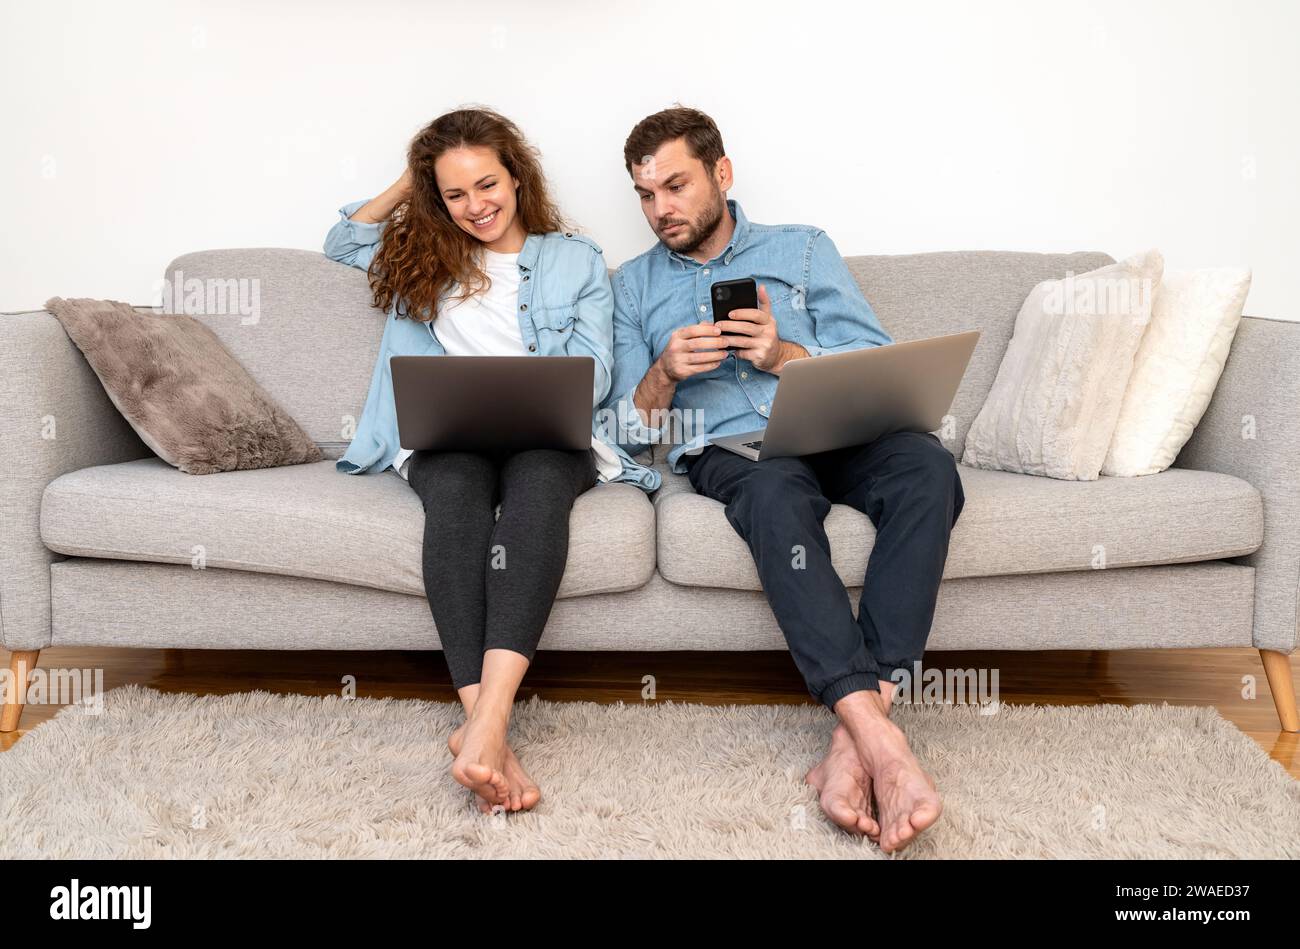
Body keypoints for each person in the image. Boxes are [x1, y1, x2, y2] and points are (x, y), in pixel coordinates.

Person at [604, 106, 965, 853]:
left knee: (930, 467)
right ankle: (883, 745)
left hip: (842, 426)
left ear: (722, 174)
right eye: (645, 194)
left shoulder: (802, 250)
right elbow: (625, 435)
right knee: (772, 498)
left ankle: (851, 739)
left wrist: (781, 355)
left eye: (675, 185)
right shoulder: (633, 286)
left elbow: (876, 358)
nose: (660, 210)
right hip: (737, 451)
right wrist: (663, 373)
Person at [325, 107, 655, 815]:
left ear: (516, 176)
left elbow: (596, 373)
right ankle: (489, 733)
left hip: (547, 430)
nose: (475, 206)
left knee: (538, 486)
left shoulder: (576, 259)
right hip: (452, 435)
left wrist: (538, 382)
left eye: (487, 184)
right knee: (456, 501)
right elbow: (342, 239)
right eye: (454, 194)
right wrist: (413, 182)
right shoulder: (422, 252)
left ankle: (485, 722)